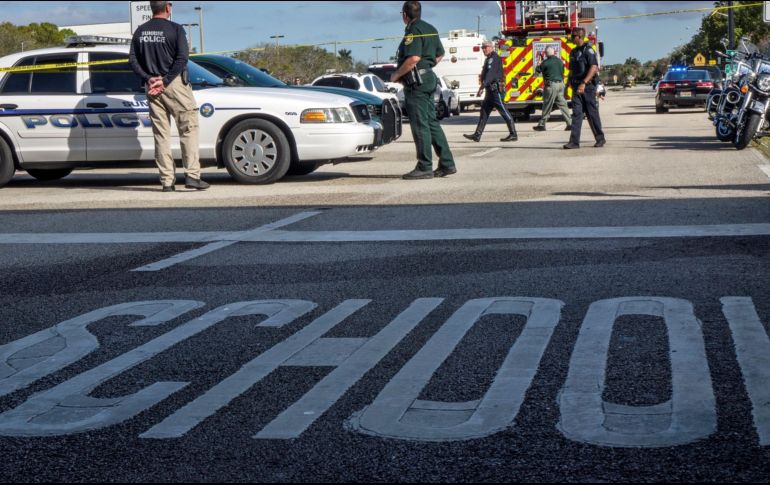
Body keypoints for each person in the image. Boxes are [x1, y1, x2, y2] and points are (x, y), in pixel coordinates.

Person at [129, 0, 209, 192]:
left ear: (151, 8)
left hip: (152, 88)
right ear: (167, 7)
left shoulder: (140, 31)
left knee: (161, 135)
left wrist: (149, 79)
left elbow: (132, 60)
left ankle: (166, 181)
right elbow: (182, 58)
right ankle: (192, 176)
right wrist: (165, 81)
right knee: (188, 129)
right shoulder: (175, 29)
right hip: (174, 85)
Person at [390, 1, 456, 180]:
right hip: (428, 79)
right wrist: (427, 66)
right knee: (431, 123)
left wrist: (396, 75)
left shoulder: (413, 30)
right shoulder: (431, 28)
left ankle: (424, 166)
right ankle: (447, 163)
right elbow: (440, 54)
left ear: (405, 14)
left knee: (420, 125)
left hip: (417, 83)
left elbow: (413, 57)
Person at [463, 40, 518, 142]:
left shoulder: (494, 58)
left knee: (504, 111)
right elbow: (484, 74)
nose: (483, 50)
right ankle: (477, 134)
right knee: (484, 112)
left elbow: (490, 75)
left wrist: (483, 86)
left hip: (496, 91)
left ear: (491, 47)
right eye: (482, 48)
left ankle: (513, 134)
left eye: (485, 47)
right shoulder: (488, 59)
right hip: (490, 91)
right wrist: (481, 87)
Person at [564, 27, 605, 149]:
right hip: (576, 88)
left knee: (592, 114)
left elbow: (593, 68)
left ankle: (600, 138)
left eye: (573, 36)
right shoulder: (573, 52)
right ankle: (574, 142)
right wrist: (567, 86)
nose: (571, 38)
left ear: (580, 37)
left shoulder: (588, 51)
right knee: (576, 115)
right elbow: (571, 71)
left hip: (587, 88)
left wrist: (584, 83)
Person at [533, 46, 572, 132]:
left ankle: (542, 125)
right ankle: (570, 123)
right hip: (561, 84)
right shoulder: (560, 61)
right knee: (563, 104)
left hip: (551, 86)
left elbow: (536, 72)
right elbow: (562, 72)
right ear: (554, 53)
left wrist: (539, 63)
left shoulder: (545, 62)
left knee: (547, 105)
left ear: (546, 54)